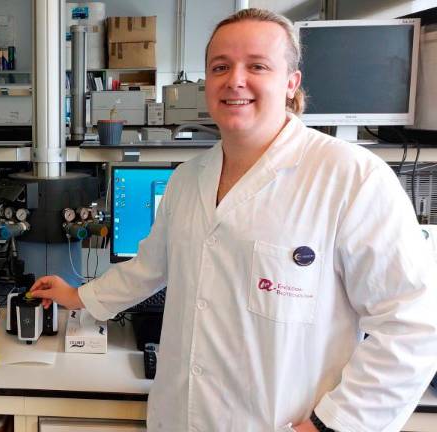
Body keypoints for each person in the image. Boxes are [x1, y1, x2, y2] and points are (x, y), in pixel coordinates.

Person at [31, 8, 437, 432]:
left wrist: (331, 425)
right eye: (220, 67)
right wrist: (78, 296)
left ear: (291, 83)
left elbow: (410, 327)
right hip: (180, 417)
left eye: (257, 65)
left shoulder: (352, 177)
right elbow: (150, 268)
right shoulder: (188, 179)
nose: (235, 80)